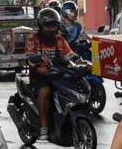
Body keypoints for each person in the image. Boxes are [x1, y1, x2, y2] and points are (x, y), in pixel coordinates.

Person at [26, 8, 87, 138]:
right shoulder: (33, 40)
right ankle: (43, 126)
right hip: (40, 76)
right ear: (41, 26)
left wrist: (81, 62)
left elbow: (70, 55)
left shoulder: (60, 40)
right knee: (45, 91)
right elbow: (29, 58)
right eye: (48, 26)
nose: (51, 29)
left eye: (54, 26)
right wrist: (38, 66)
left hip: (58, 73)